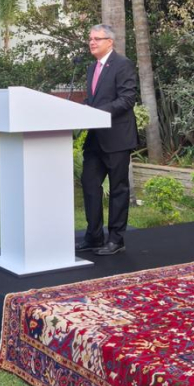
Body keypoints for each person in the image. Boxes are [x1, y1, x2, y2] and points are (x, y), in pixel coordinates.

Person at [77, 24, 139, 256]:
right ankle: (93, 236)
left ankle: (116, 239)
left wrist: (97, 113)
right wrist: (82, 109)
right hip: (95, 140)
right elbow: (93, 101)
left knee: (118, 189)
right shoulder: (91, 67)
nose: (92, 42)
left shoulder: (123, 65)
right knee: (90, 185)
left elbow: (127, 99)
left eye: (97, 39)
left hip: (117, 138)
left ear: (110, 42)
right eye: (90, 38)